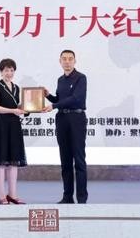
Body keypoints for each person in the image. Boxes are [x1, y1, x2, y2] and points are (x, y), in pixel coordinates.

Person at [43, 49, 88, 204]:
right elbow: (60, 99)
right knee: (65, 160)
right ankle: (67, 197)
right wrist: (48, 96)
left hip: (76, 119)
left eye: (70, 59)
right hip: (62, 119)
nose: (67, 62)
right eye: (64, 59)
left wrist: (54, 105)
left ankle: (82, 199)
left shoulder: (81, 78)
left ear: (75, 61)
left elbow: (75, 98)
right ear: (60, 61)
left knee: (79, 160)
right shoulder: (60, 80)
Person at [0, 58, 27, 205]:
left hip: (15, 126)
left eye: (11, 70)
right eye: (6, 70)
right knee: (0, 161)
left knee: (13, 162)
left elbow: (19, 106)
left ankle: (12, 195)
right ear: (1, 71)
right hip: (2, 126)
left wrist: (28, 109)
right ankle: (2, 196)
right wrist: (13, 110)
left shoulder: (16, 87)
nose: (9, 73)